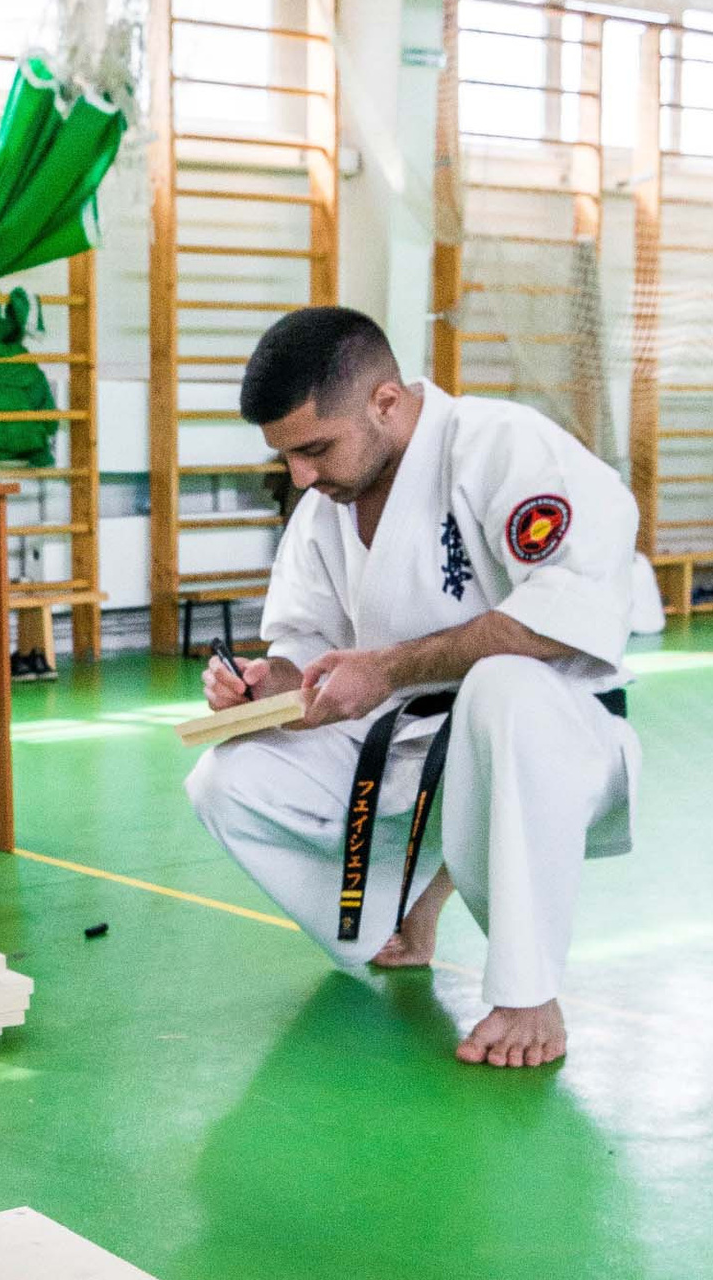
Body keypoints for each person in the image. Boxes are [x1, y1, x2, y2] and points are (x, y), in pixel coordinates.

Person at [187, 306, 643, 1073]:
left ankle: (529, 992)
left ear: (386, 403)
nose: (300, 475)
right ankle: (399, 900)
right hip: (408, 746)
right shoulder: (324, 509)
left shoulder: (501, 447)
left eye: (314, 448)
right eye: (286, 456)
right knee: (225, 779)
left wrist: (390, 667)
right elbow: (308, 656)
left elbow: (572, 615)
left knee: (503, 688)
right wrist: (268, 690)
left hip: (549, 738)